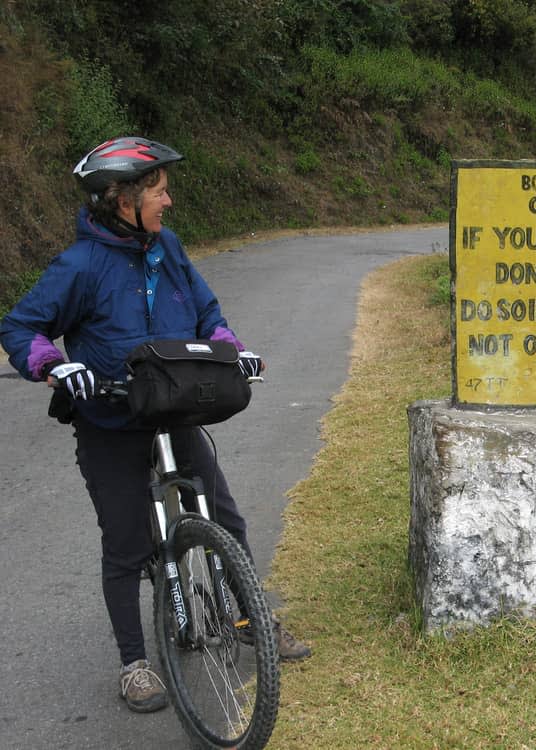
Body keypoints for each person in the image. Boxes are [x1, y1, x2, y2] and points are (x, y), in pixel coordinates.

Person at [0, 137, 311, 714]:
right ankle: (135, 663)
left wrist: (230, 349)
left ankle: (249, 618)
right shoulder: (79, 266)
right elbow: (21, 328)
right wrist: (53, 364)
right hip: (109, 420)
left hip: (171, 407)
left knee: (224, 516)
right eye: (159, 191)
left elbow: (208, 314)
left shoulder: (167, 248)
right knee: (127, 544)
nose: (168, 201)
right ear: (121, 199)